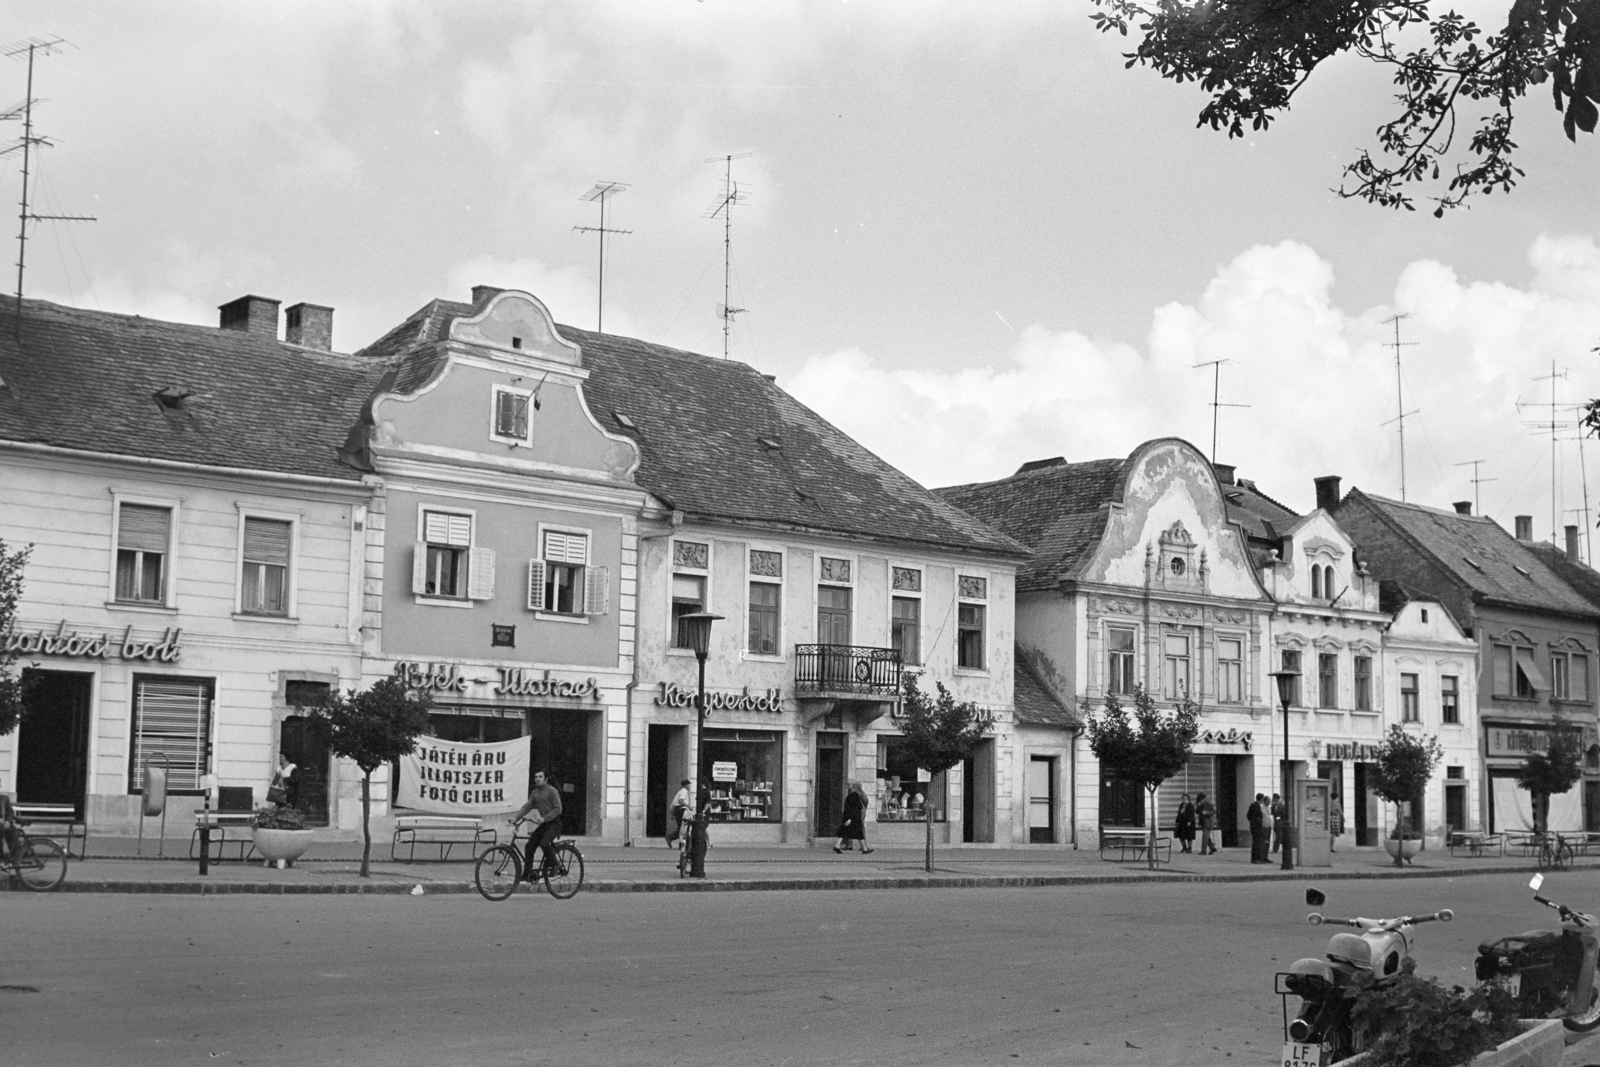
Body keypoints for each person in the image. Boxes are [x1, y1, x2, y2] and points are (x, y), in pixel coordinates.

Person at [511, 769, 563, 881]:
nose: (537, 779)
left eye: (540, 777)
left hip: (554, 823)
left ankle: (555, 864)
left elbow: (558, 809)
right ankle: (527, 873)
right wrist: (516, 817)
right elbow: (527, 807)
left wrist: (545, 818)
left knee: (544, 844)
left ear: (546, 779)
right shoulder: (535, 793)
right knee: (529, 846)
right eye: (535, 777)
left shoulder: (552, 791)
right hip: (545, 824)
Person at [835, 781, 875, 855]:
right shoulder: (854, 795)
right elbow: (853, 807)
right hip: (854, 817)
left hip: (852, 816)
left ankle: (838, 845)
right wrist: (850, 818)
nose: (847, 786)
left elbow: (864, 801)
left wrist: (849, 817)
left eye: (849, 784)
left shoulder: (854, 794)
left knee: (845, 831)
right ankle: (864, 849)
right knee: (857, 832)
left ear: (854, 786)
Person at [688, 781, 712, 878]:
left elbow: (708, 802)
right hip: (700, 812)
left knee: (704, 827)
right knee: (703, 827)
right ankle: (709, 842)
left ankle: (709, 842)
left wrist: (703, 811)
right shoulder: (701, 791)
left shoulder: (705, 792)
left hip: (703, 813)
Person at [665, 779, 691, 850]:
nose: (690, 787)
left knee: (681, 828)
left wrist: (673, 814)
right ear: (686, 785)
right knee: (683, 828)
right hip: (681, 810)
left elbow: (673, 804)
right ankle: (672, 838)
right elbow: (680, 800)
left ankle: (680, 843)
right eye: (689, 785)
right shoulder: (684, 792)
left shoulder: (680, 792)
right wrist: (689, 807)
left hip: (677, 810)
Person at [1247, 793, 1270, 863]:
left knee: (1256, 842)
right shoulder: (1257, 806)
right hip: (1256, 826)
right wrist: (1256, 821)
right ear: (1261, 799)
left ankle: (1256, 858)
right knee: (1257, 843)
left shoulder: (1253, 805)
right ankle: (1255, 859)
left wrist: (1252, 821)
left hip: (1254, 825)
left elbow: (1248, 815)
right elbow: (1257, 815)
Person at [0, 791, 21, 862]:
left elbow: (10, 812)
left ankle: (16, 855)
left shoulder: (4, 798)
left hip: (3, 825)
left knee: (11, 831)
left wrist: (8, 821)